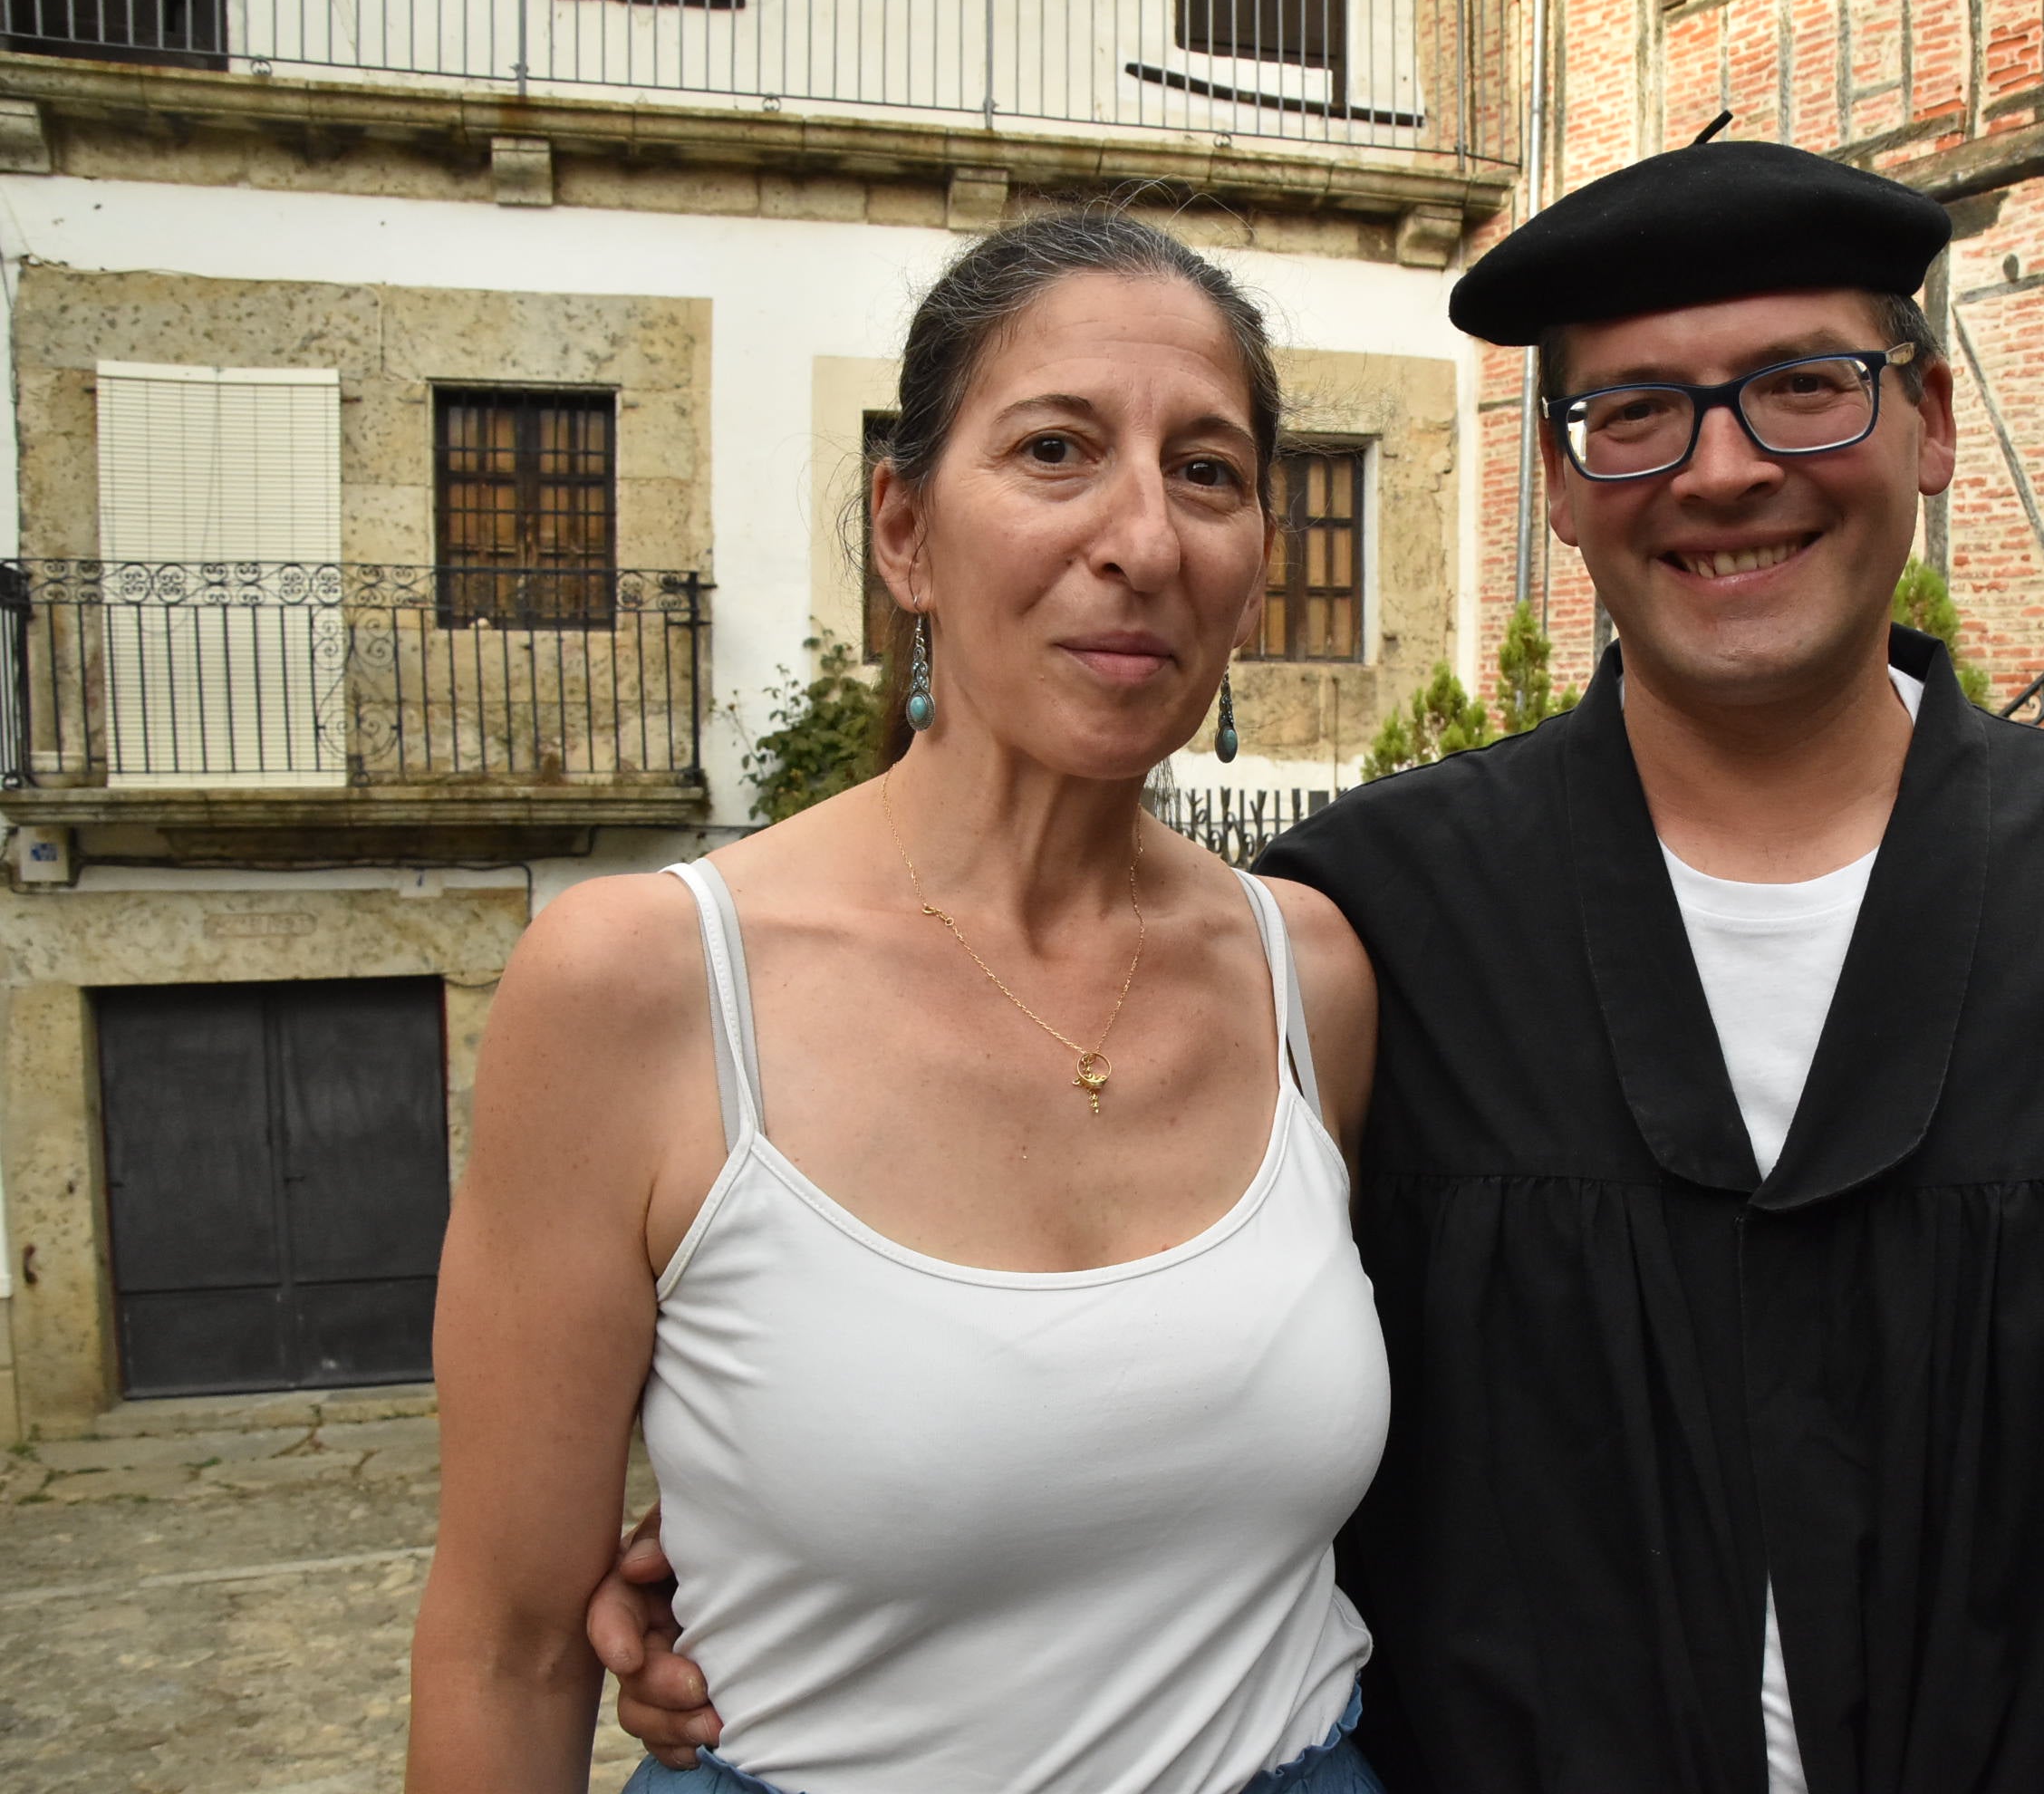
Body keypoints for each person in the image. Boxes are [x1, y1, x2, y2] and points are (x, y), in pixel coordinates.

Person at [597, 140, 2044, 1792]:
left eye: (1803, 384)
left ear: (1931, 428)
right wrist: (797, 1542)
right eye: (1632, 415)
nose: (1720, 468)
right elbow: (1114, 1354)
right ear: (1555, 489)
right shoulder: (1371, 929)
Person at [407, 209, 1391, 1794]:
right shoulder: (646, 988)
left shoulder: (1311, 980)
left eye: (1207, 471)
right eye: (1057, 450)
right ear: (905, 531)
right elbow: (507, 1652)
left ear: (1257, 565)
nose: (1142, 537)